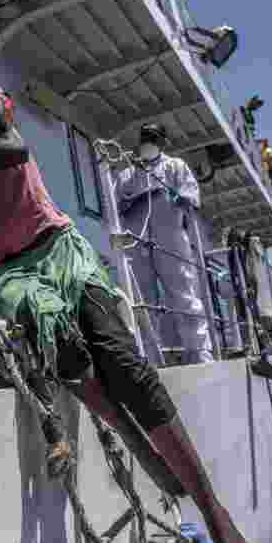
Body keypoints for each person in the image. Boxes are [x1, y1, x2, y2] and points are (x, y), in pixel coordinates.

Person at [0, 63, 261, 543]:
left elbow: (10, 147)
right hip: (10, 272)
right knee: (69, 354)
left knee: (127, 367)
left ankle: (218, 517)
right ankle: (130, 435)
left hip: (59, 248)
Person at [112, 123, 214, 364]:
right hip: (137, 243)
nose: (148, 141)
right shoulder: (128, 173)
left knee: (184, 295)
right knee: (142, 300)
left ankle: (199, 352)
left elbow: (192, 196)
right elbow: (117, 204)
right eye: (145, 137)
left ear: (162, 141)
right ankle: (149, 357)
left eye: (153, 137)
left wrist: (179, 197)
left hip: (172, 240)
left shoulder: (176, 166)